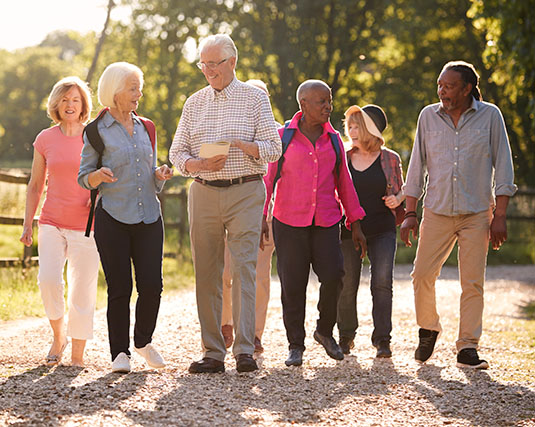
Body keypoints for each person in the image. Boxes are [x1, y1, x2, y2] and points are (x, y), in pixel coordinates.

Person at [169, 35, 281, 374]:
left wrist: (243, 146)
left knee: (245, 267)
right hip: (203, 190)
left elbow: (273, 148)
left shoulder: (254, 99)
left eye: (214, 63)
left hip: (246, 190)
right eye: (203, 63)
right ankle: (213, 352)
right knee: (206, 272)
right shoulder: (194, 102)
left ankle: (245, 350)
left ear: (232, 62)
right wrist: (198, 165)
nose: (207, 70)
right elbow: (177, 154)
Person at [400, 60, 517, 369]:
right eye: (440, 85)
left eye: (449, 86)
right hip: (436, 210)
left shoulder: (490, 116)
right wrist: (410, 211)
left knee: (472, 282)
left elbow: (504, 165)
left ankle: (467, 346)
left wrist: (500, 215)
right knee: (422, 274)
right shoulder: (428, 116)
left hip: (477, 212)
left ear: (467, 89)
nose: (442, 91)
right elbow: (416, 166)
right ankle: (428, 328)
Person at [263, 79, 367, 367]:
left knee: (334, 274)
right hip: (289, 220)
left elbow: (344, 182)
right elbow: (268, 180)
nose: (328, 106)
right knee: (292, 284)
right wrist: (262, 216)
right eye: (321, 101)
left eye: (329, 100)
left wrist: (355, 222)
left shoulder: (333, 139)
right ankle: (295, 344)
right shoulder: (282, 137)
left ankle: (324, 331)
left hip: (326, 220)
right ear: (303, 105)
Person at [78, 62, 173, 373]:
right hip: (113, 217)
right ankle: (120, 353)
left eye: (138, 87)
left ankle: (143, 341)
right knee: (119, 288)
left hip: (149, 216)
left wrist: (159, 175)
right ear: (115, 91)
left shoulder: (148, 127)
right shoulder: (95, 130)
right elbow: (83, 177)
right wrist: (97, 177)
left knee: (152, 285)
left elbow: (149, 172)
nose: (139, 93)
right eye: (133, 87)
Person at [20, 76, 99, 367]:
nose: (70, 105)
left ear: (83, 105)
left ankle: (77, 354)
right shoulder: (45, 138)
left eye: (75, 100)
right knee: (49, 280)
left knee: (83, 288)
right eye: (65, 99)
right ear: (56, 103)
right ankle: (58, 336)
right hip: (51, 220)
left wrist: (98, 195)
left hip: (88, 224)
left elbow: (108, 174)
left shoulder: (95, 136)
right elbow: (35, 184)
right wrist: (28, 222)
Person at [337, 104, 404, 359]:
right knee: (347, 283)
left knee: (382, 283)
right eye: (350, 126)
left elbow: (400, 189)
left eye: (357, 126)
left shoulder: (390, 158)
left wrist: (397, 200)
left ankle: (382, 340)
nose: (351, 131)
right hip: (348, 229)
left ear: (370, 129)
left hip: (381, 229)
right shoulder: (343, 157)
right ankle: (345, 337)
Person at [220, 79, 277, 354]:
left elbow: (278, 181)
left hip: (265, 218)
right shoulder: (230, 130)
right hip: (231, 213)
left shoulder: (276, 136)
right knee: (226, 272)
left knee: (259, 276)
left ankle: (254, 333)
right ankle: (225, 322)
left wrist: (268, 216)